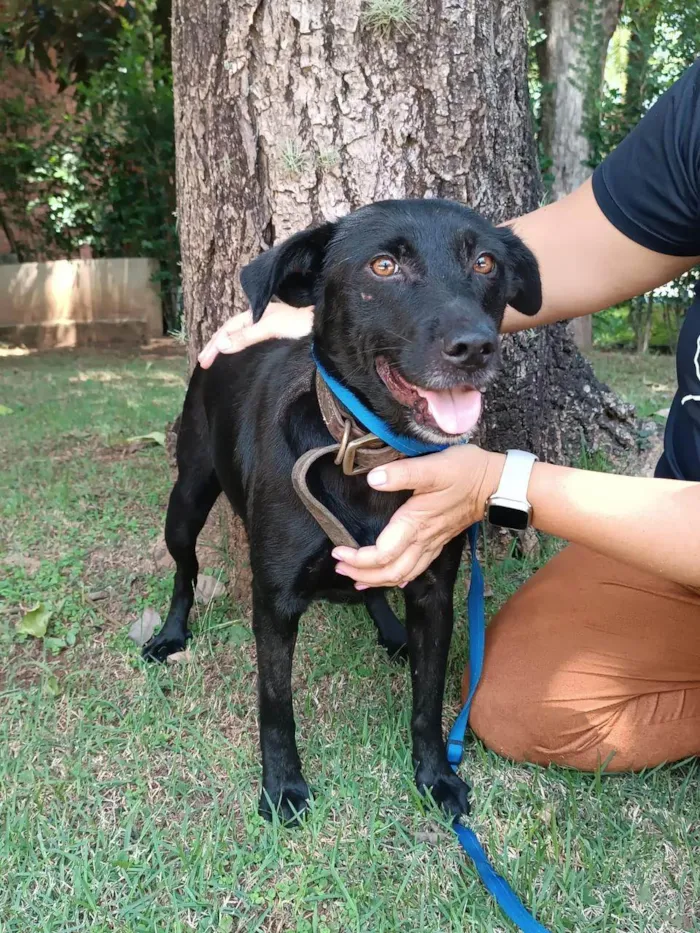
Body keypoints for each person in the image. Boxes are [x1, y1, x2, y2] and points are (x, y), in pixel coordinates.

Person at [198, 62, 700, 773]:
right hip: (676, 517)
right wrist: (305, 294)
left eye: (481, 271)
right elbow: (585, 239)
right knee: (515, 698)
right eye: (386, 268)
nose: (470, 331)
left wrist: (503, 483)